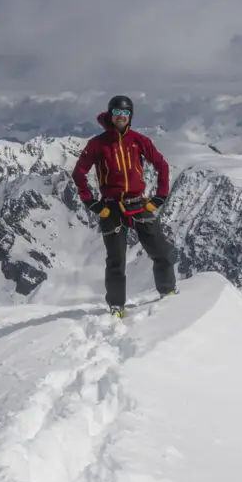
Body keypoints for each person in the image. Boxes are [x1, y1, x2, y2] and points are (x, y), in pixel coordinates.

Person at [71, 94, 177, 316]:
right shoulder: (97, 144)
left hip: (138, 204)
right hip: (112, 208)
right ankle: (117, 305)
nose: (121, 117)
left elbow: (162, 165)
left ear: (131, 116)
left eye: (125, 113)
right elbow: (79, 173)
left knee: (161, 251)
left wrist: (160, 196)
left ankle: (167, 293)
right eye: (117, 113)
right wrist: (91, 203)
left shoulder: (139, 141)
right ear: (110, 114)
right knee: (116, 261)